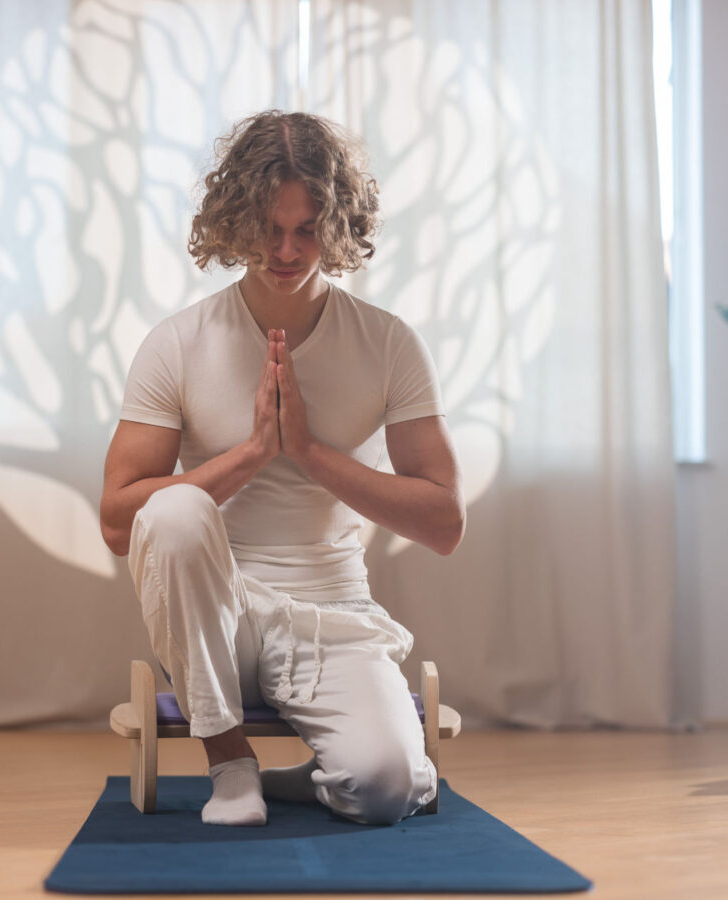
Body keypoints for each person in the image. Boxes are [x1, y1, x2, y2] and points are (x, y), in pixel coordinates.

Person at [99, 110, 465, 827]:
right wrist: (251, 456)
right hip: (216, 615)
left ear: (337, 226)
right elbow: (120, 521)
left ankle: (314, 776)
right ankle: (231, 765)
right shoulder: (177, 343)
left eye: (306, 230)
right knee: (172, 510)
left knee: (386, 789)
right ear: (235, 220)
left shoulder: (389, 344)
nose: (287, 250)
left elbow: (445, 522)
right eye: (269, 227)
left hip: (332, 609)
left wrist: (309, 453)